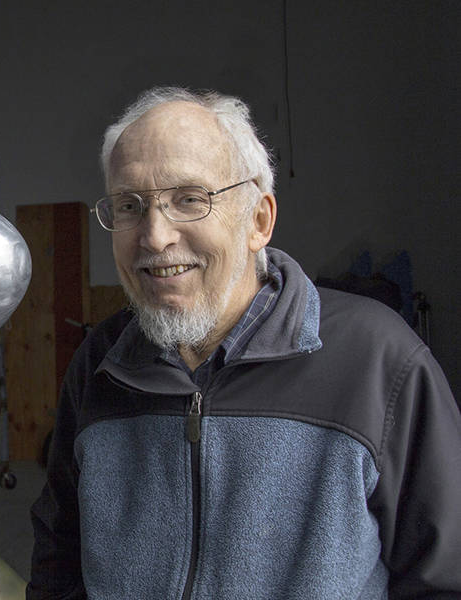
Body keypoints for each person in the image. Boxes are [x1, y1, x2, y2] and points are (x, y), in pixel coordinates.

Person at [27, 87, 461, 599]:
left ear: (258, 221)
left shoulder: (377, 359)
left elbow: (445, 578)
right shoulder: (101, 361)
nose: (155, 236)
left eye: (190, 199)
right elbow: (59, 565)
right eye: (129, 205)